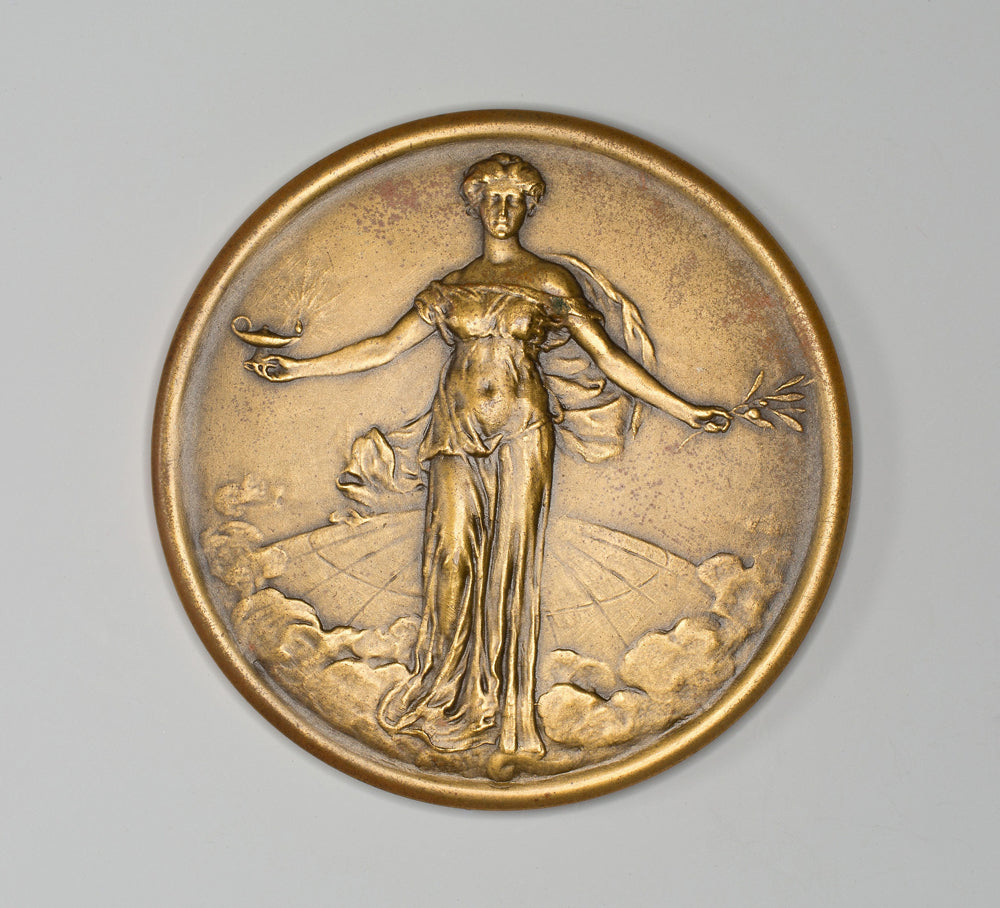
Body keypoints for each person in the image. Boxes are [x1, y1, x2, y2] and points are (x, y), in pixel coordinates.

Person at [245, 153, 730, 757]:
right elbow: (384, 347)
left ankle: (506, 710)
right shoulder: (451, 289)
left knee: (510, 561)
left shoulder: (551, 281)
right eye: (491, 199)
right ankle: (445, 687)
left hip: (522, 429)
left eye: (514, 200)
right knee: (450, 553)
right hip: (455, 428)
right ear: (474, 205)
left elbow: (608, 358)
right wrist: (299, 368)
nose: (502, 210)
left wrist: (684, 409)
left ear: (529, 207)